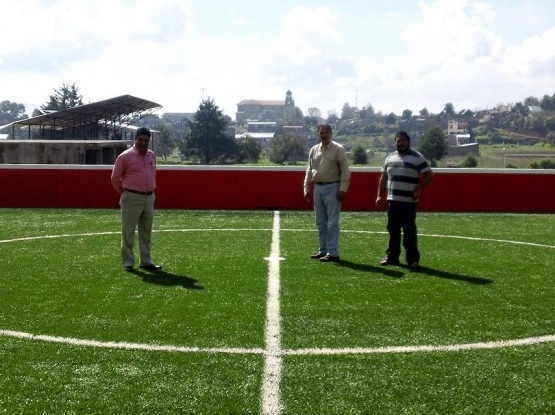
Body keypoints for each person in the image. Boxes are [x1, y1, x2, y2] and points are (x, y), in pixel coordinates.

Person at [375, 131, 434, 269]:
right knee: (393, 230)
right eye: (398, 141)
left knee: (409, 231)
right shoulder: (390, 157)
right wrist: (379, 195)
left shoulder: (417, 157)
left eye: (403, 140)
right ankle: (391, 257)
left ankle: (412, 260)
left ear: (408, 142)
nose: (400, 143)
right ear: (395, 142)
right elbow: (383, 177)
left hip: (408, 202)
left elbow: (429, 174)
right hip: (392, 200)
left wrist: (419, 189)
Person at [111, 127, 162, 272]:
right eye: (140, 139)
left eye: (146, 140)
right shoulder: (125, 156)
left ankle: (146, 261)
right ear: (135, 139)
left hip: (149, 197)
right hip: (131, 197)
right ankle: (128, 262)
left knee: (146, 231)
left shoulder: (151, 155)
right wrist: (125, 193)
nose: (143, 143)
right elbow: (115, 178)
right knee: (128, 231)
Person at [303, 123, 351, 262]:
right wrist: (306, 188)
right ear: (318, 134)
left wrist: (343, 189)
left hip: (333, 188)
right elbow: (309, 170)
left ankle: (333, 252)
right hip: (317, 188)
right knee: (320, 222)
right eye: (321, 133)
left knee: (332, 223)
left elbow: (345, 171)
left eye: (326, 133)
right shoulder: (314, 150)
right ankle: (323, 250)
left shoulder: (338, 149)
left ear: (331, 134)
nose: (323, 135)